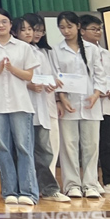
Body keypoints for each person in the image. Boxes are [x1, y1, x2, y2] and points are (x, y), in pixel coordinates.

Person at [0, 9, 40, 205]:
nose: (1, 25)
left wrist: (11, 69)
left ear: (11, 24)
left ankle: (28, 192)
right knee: (2, 148)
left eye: (4, 21)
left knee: (24, 148)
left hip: (20, 103)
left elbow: (29, 75)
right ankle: (9, 191)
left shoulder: (23, 47)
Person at [52, 11, 106, 199]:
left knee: (91, 146)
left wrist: (96, 94)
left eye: (69, 26)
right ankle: (72, 185)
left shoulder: (92, 49)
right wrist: (62, 98)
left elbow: (100, 75)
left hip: (90, 103)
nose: (66, 31)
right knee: (69, 146)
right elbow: (56, 76)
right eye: (62, 27)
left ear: (78, 27)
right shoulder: (56, 50)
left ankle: (90, 184)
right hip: (69, 104)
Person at [20, 14, 70, 202]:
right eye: (30, 29)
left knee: (45, 150)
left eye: (39, 30)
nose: (34, 33)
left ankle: (48, 188)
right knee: (26, 151)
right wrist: (29, 85)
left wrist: (54, 87)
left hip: (44, 105)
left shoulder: (42, 52)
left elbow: (49, 76)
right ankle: (28, 188)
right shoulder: (17, 50)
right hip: (23, 106)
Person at [80, 14, 110, 193]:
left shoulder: (107, 54)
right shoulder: (79, 52)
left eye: (99, 29)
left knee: (109, 144)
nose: (98, 32)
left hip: (109, 105)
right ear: (82, 31)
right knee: (90, 145)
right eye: (94, 29)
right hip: (90, 104)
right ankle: (91, 181)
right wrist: (98, 91)